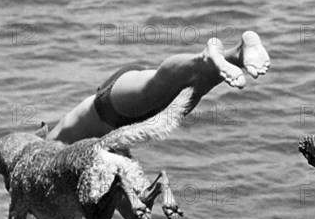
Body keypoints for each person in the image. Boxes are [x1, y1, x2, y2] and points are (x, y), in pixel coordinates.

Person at [46, 31, 270, 144]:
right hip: (144, 121)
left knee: (153, 86)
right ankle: (238, 55)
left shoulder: (48, 143)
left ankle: (206, 55)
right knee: (196, 86)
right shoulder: (78, 159)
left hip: (107, 106)